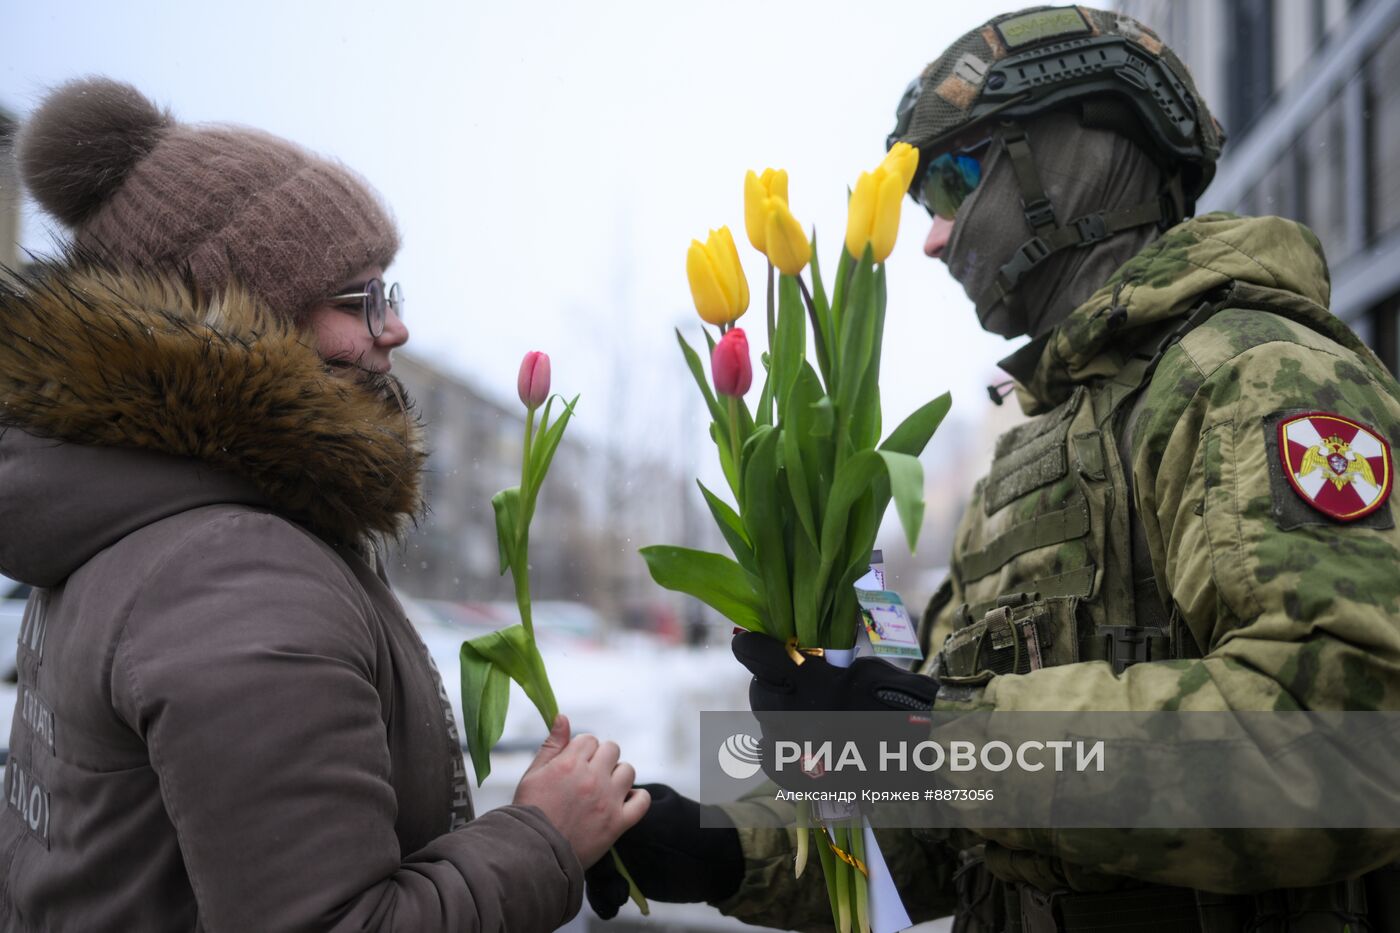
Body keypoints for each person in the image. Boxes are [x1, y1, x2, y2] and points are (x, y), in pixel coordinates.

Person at [587, 6, 1400, 931]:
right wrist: (724, 846)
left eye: (954, 178)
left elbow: (1345, 741)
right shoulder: (1032, 451)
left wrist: (937, 733)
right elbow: (952, 826)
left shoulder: (1251, 374)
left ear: (1072, 159)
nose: (931, 236)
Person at [0, 77, 648, 931]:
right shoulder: (233, 577)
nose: (396, 329)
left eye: (394, 292)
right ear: (238, 318)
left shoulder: (133, 516)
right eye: (360, 298)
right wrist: (544, 839)